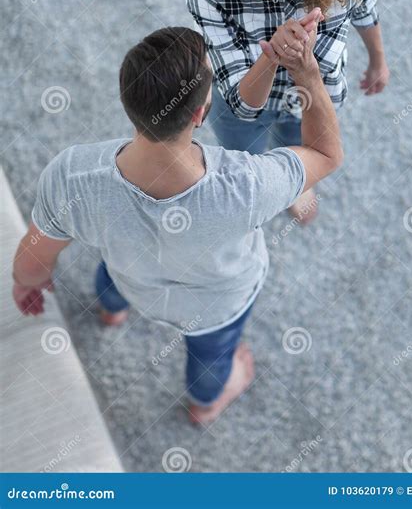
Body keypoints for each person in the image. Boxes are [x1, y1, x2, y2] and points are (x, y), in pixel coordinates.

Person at [12, 21, 342, 426]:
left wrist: (27, 281)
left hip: (135, 279)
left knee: (113, 273)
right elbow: (325, 155)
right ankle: (204, 405)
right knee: (210, 357)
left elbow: (34, 256)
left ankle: (111, 312)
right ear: (201, 113)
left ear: (127, 101)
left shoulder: (71, 176)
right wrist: (306, 72)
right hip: (215, 306)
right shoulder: (249, 184)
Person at [185, 0, 389, 223]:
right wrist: (275, 57)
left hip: (314, 98)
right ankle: (275, 187)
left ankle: (297, 182)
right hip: (240, 105)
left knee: (298, 150)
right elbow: (243, 105)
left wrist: (377, 60)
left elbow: (365, 14)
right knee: (247, 166)